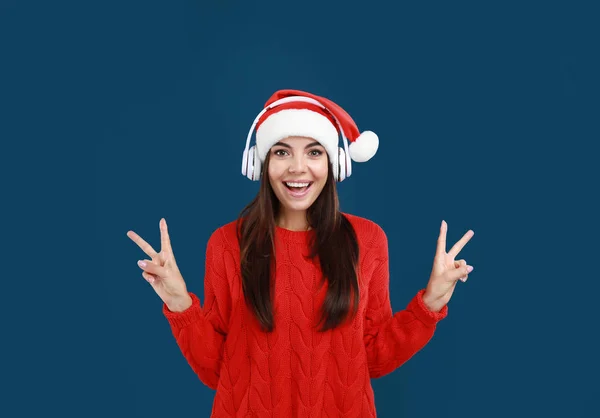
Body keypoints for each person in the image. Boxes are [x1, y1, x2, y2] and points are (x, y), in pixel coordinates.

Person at [127, 89, 475, 417]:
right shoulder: (226, 244)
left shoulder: (367, 240)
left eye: (313, 151)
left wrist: (429, 305)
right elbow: (218, 371)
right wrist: (178, 304)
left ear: (333, 161)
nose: (297, 168)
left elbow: (372, 357)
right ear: (262, 163)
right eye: (281, 152)